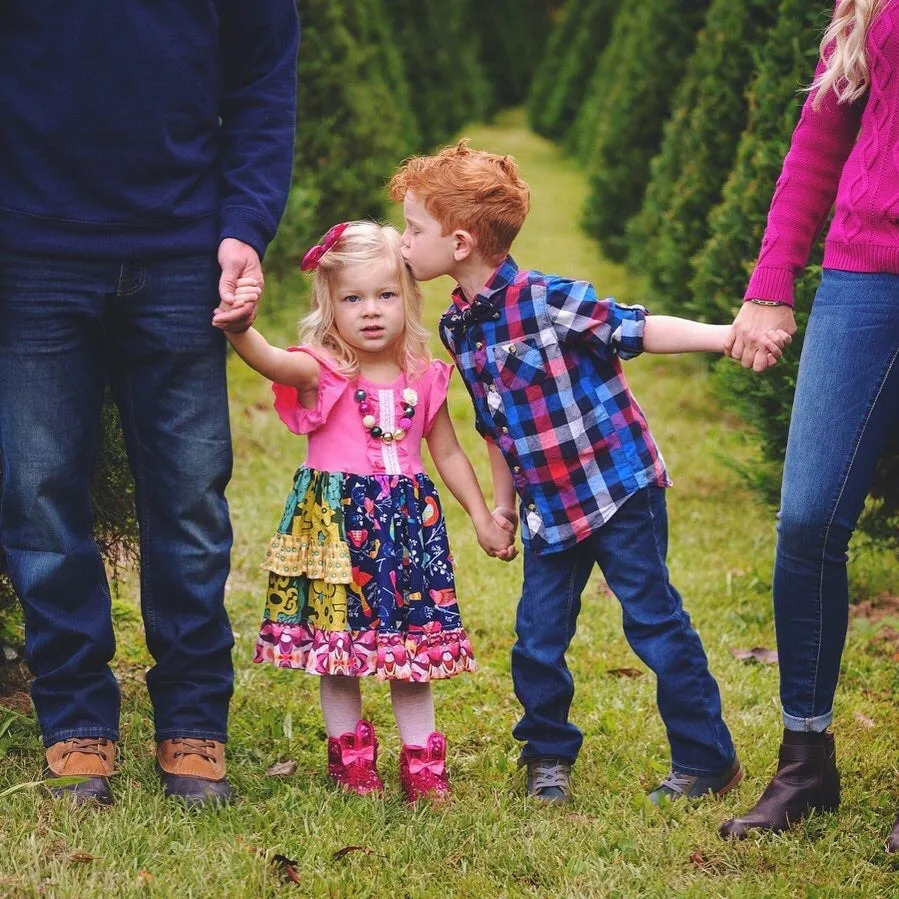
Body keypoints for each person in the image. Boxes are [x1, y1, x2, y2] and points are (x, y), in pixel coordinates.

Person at [388, 142, 790, 804]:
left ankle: (706, 758)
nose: (404, 243)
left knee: (654, 624)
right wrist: (501, 507)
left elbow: (637, 329)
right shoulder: (457, 327)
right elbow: (495, 425)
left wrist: (724, 336)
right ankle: (546, 753)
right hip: (549, 508)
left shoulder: (547, 300)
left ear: (459, 242)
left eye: (413, 230)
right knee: (537, 639)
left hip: (617, 490)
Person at [0, 2, 299, 806]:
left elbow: (264, 84)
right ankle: (75, 723)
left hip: (183, 253)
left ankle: (195, 722)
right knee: (37, 494)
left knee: (188, 498)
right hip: (30, 248)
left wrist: (246, 224)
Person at [213, 221, 515, 802]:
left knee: (412, 652)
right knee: (340, 650)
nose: (370, 311)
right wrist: (242, 332)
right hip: (338, 530)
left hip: (409, 533)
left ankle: (422, 764)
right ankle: (350, 755)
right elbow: (273, 361)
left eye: (385, 295)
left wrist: (480, 515)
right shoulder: (323, 369)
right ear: (330, 306)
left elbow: (446, 449)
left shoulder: (425, 377)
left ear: (409, 297)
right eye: (353, 298)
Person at [720, 0, 899, 849]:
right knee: (807, 515)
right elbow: (819, 137)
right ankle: (804, 760)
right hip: (866, 271)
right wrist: (770, 280)